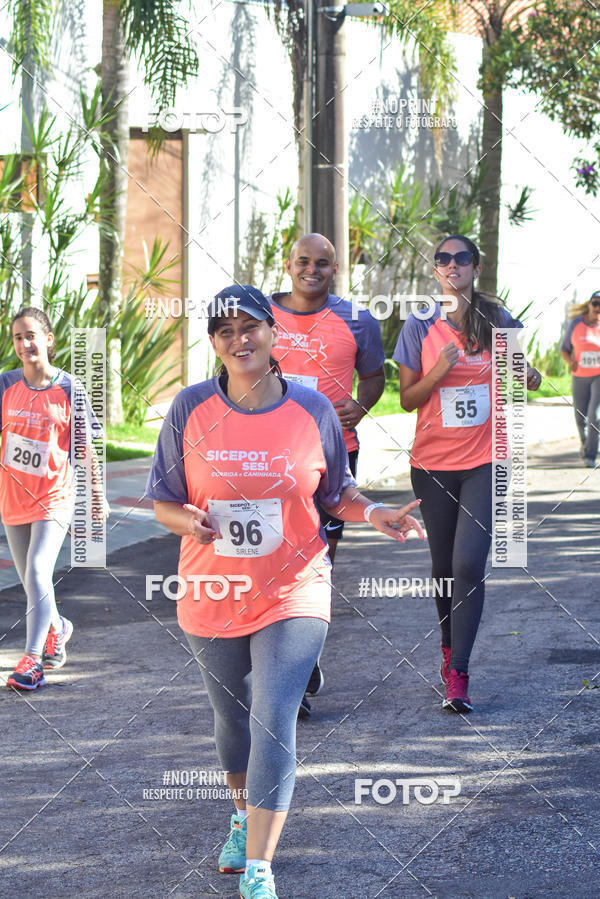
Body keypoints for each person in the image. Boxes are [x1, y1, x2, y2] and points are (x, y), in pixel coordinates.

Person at [146, 284, 423, 899]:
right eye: (225, 332)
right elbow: (162, 499)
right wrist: (187, 520)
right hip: (213, 585)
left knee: (274, 717)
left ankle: (260, 868)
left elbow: (336, 494)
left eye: (251, 328)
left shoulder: (311, 407)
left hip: (295, 588)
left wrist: (373, 512)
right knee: (232, 719)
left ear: (273, 333)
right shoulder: (190, 408)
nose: (239, 340)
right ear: (214, 344)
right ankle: (243, 818)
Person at [393, 236, 542, 713]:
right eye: (442, 259)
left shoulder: (497, 318)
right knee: (442, 571)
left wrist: (529, 374)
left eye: (460, 258)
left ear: (475, 267)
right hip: (432, 466)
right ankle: (446, 648)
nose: (451, 265)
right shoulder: (419, 325)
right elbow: (408, 399)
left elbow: (520, 368)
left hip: (486, 461)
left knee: (467, 566)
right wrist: (437, 371)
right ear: (435, 270)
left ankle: (458, 671)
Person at [269, 232, 385, 714]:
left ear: (334, 269)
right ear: (288, 264)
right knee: (270, 555)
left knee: (315, 565)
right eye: (303, 261)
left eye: (322, 263)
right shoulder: (259, 311)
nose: (311, 269)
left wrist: (359, 405)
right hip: (265, 456)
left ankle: (300, 658)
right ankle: (287, 670)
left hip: (332, 455)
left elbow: (375, 376)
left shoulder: (358, 320)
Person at [1, 307, 106, 690]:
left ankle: (31, 661)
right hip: (13, 496)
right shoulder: (5, 384)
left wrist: (97, 495)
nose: (25, 343)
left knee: (37, 570)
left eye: (31, 335)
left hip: (54, 496)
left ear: (48, 339)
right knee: (31, 580)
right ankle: (58, 626)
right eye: (18, 337)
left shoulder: (70, 389)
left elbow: (86, 447)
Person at [560, 290, 600, 467]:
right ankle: (585, 443)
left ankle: (590, 455)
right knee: (580, 416)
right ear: (589, 305)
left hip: (598, 376)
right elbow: (564, 349)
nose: (598, 308)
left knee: (595, 415)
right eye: (595, 303)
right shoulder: (576, 323)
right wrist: (570, 362)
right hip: (579, 377)